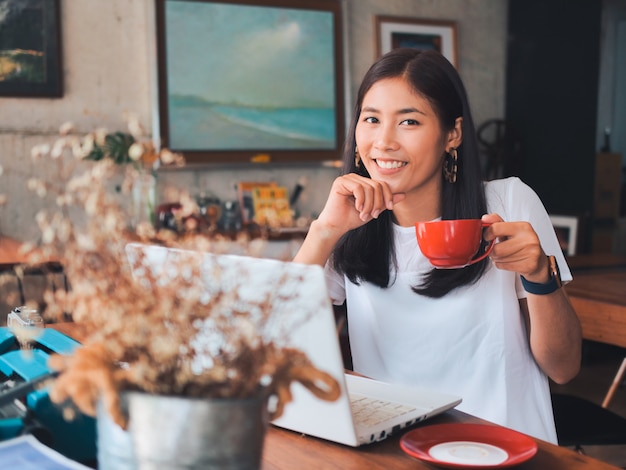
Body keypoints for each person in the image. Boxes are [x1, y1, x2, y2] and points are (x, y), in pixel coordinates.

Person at [294, 48, 581, 443]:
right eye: (371, 119)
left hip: (503, 450)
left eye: (409, 121)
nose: (384, 141)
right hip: (394, 451)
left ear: (453, 134)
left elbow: (564, 368)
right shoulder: (347, 224)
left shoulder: (508, 203)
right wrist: (324, 231)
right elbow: (275, 350)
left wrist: (539, 276)